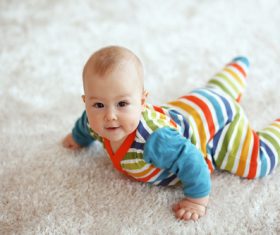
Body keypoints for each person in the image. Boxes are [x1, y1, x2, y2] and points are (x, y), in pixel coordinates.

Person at [62, 45, 280, 221]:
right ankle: (234, 71)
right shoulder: (94, 122)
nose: (110, 116)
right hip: (194, 105)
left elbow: (193, 161)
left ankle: (239, 74)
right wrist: (77, 138)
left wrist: (197, 200)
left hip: (218, 127)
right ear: (86, 102)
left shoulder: (155, 140)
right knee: (215, 91)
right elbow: (84, 125)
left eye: (122, 103)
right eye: (98, 105)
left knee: (258, 163)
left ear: (142, 101)